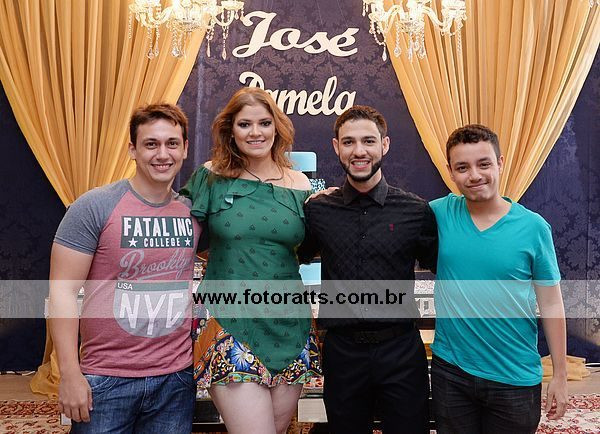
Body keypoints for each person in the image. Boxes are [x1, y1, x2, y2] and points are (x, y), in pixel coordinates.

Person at [48, 104, 200, 433]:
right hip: (105, 378)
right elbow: (61, 292)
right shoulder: (94, 205)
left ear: (185, 148)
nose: (163, 154)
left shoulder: (193, 211)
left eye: (172, 143)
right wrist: (69, 373)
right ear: (132, 149)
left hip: (175, 380)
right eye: (151, 144)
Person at [180, 87, 321, 434]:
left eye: (264, 123)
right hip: (230, 321)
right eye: (245, 124)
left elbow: (310, 248)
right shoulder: (211, 176)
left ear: (277, 127)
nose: (255, 132)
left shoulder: (300, 184)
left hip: (290, 326)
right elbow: (180, 242)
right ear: (230, 130)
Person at [298, 105, 438, 433]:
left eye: (368, 141)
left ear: (384, 145)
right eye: (349, 142)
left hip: (401, 351)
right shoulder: (318, 210)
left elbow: (446, 266)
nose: (359, 151)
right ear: (336, 147)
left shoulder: (415, 210)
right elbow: (290, 256)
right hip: (342, 352)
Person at [429, 124, 568, 433]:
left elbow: (551, 303)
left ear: (500, 163)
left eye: (484, 164)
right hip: (452, 373)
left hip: (514, 376)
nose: (474, 175)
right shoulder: (439, 213)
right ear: (450, 172)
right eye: (462, 167)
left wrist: (560, 375)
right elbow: (389, 211)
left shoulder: (534, 228)